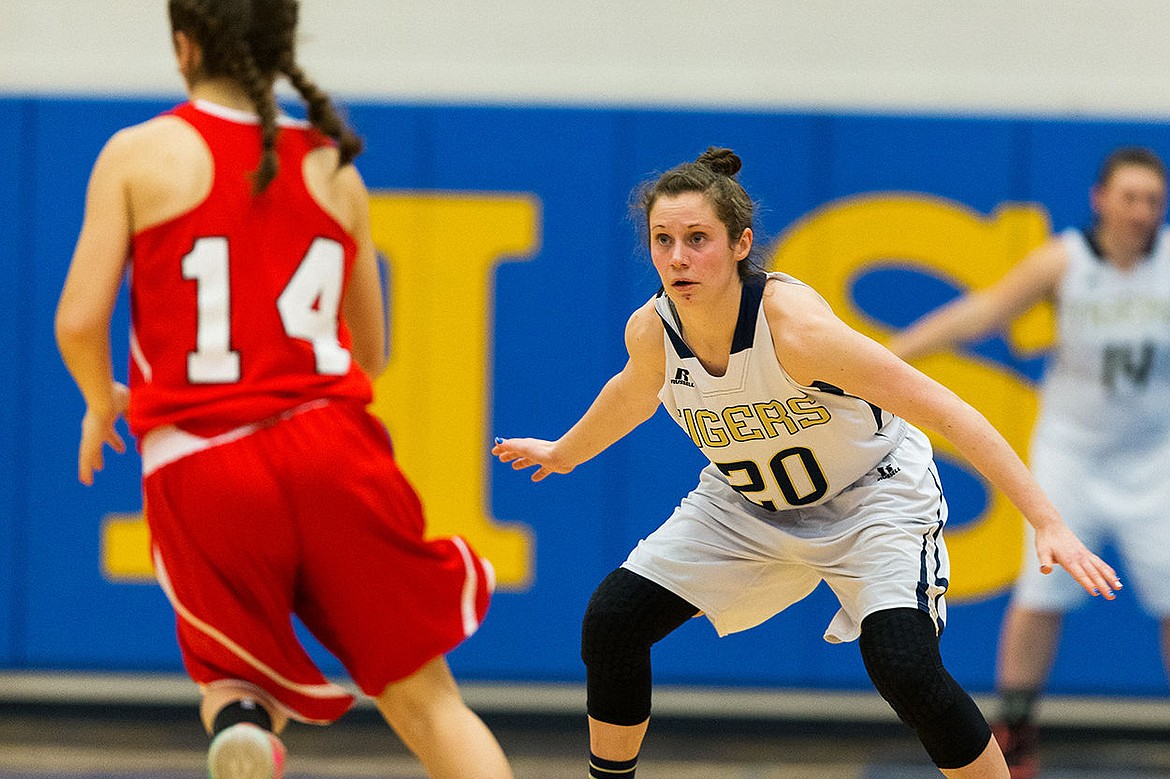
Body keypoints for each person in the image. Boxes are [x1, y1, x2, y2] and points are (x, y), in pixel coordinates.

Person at [493, 146, 1121, 779]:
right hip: (745, 507)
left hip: (872, 500)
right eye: (663, 240)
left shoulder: (795, 330)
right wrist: (564, 451)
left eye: (697, 239)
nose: (678, 257)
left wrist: (1047, 520)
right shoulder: (652, 330)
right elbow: (633, 391)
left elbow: (946, 409)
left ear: (740, 245)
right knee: (612, 623)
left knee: (905, 670)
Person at [53, 2, 513, 778]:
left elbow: (77, 320)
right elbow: (372, 349)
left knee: (232, 670)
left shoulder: (137, 154)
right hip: (333, 446)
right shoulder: (336, 166)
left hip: (204, 458)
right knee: (431, 704)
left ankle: (243, 723)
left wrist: (102, 398)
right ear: (281, 47)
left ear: (183, 45)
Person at [888, 145, 1170, 779]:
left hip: (1157, 458)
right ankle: (1015, 729)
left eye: (1153, 200)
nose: (1141, 211)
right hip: (1072, 452)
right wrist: (892, 354)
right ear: (1101, 199)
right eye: (1130, 197)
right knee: (1041, 589)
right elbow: (982, 312)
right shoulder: (1063, 260)